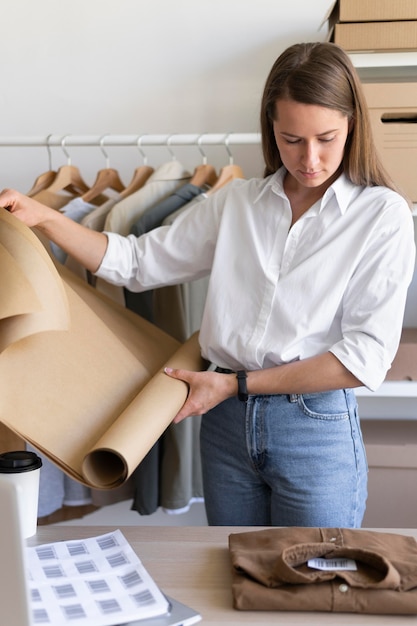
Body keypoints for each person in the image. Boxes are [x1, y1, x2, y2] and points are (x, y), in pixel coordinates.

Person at [1, 41, 415, 527]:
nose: (310, 159)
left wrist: (234, 384)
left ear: (352, 125)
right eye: (291, 139)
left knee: (313, 588)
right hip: (225, 427)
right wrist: (46, 218)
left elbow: (363, 357)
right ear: (270, 129)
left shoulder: (381, 215)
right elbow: (136, 263)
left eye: (327, 138)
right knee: (233, 577)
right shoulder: (237, 203)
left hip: (312, 427)